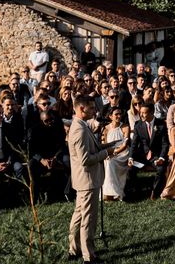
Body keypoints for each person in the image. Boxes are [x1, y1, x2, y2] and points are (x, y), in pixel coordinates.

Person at [68, 95, 116, 264]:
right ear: (81, 109)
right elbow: (86, 160)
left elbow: (92, 148)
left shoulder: (81, 125)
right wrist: (107, 153)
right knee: (88, 219)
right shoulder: (79, 130)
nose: (95, 110)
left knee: (79, 215)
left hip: (84, 180)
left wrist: (109, 145)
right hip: (87, 180)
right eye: (91, 108)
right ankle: (89, 256)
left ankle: (74, 249)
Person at [128, 103, 169, 199]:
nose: (141, 115)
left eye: (144, 113)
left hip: (156, 156)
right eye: (140, 112)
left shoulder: (161, 124)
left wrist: (161, 157)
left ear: (151, 113)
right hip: (142, 155)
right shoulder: (138, 125)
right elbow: (134, 143)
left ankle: (155, 192)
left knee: (161, 169)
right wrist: (131, 157)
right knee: (131, 169)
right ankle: (138, 192)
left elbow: (165, 144)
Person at [28, 109, 70, 199]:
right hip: (41, 156)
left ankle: (68, 192)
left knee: (68, 161)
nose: (50, 122)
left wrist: (55, 157)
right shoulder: (34, 130)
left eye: (51, 119)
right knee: (31, 165)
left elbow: (62, 145)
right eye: (46, 121)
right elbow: (32, 149)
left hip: (57, 154)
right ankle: (36, 195)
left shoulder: (58, 126)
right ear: (41, 121)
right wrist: (42, 160)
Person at [101, 107, 130, 201]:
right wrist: (107, 153)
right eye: (116, 114)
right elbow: (104, 144)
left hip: (122, 153)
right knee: (107, 161)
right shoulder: (105, 129)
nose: (119, 116)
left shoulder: (125, 127)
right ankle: (109, 192)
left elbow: (125, 145)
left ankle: (113, 193)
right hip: (110, 153)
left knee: (110, 162)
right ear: (110, 116)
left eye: (120, 114)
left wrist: (114, 153)